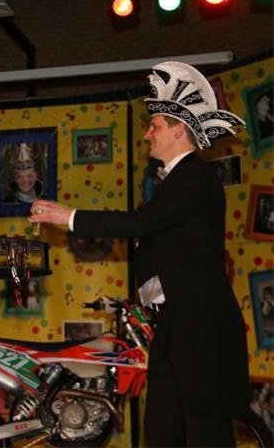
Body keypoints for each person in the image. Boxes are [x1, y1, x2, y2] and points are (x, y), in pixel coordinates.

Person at [30, 61, 249, 447]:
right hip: (176, 326)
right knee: (162, 428)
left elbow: (139, 223)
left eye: (155, 126)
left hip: (200, 328)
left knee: (206, 432)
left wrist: (69, 216)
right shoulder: (179, 181)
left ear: (179, 130)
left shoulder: (195, 177)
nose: (148, 133)